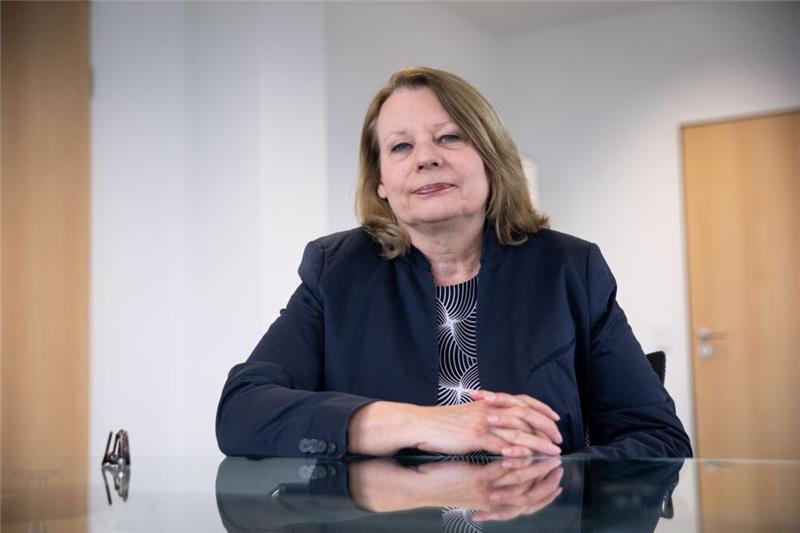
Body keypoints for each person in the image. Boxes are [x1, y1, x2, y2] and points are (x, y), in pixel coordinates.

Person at [215, 67, 692, 459]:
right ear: (381, 181)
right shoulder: (335, 271)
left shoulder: (571, 269)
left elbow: (658, 439)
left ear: (490, 158)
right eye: (400, 146)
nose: (425, 158)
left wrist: (551, 479)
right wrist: (421, 423)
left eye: (449, 137)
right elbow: (242, 412)